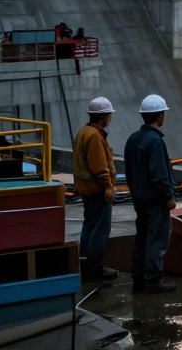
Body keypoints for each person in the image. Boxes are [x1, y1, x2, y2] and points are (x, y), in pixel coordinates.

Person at [124, 94, 177, 294]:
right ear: (159, 116)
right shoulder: (154, 141)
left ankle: (139, 278)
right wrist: (168, 196)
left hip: (139, 198)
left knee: (142, 237)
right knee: (157, 240)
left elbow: (129, 171)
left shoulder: (133, 139)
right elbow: (159, 174)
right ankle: (153, 281)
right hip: (156, 200)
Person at [74, 97, 118, 281]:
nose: (109, 119)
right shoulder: (94, 136)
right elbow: (100, 166)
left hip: (88, 191)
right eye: (109, 115)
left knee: (89, 227)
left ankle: (84, 263)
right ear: (103, 117)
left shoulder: (83, 132)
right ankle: (95, 267)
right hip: (97, 191)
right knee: (100, 229)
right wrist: (108, 185)